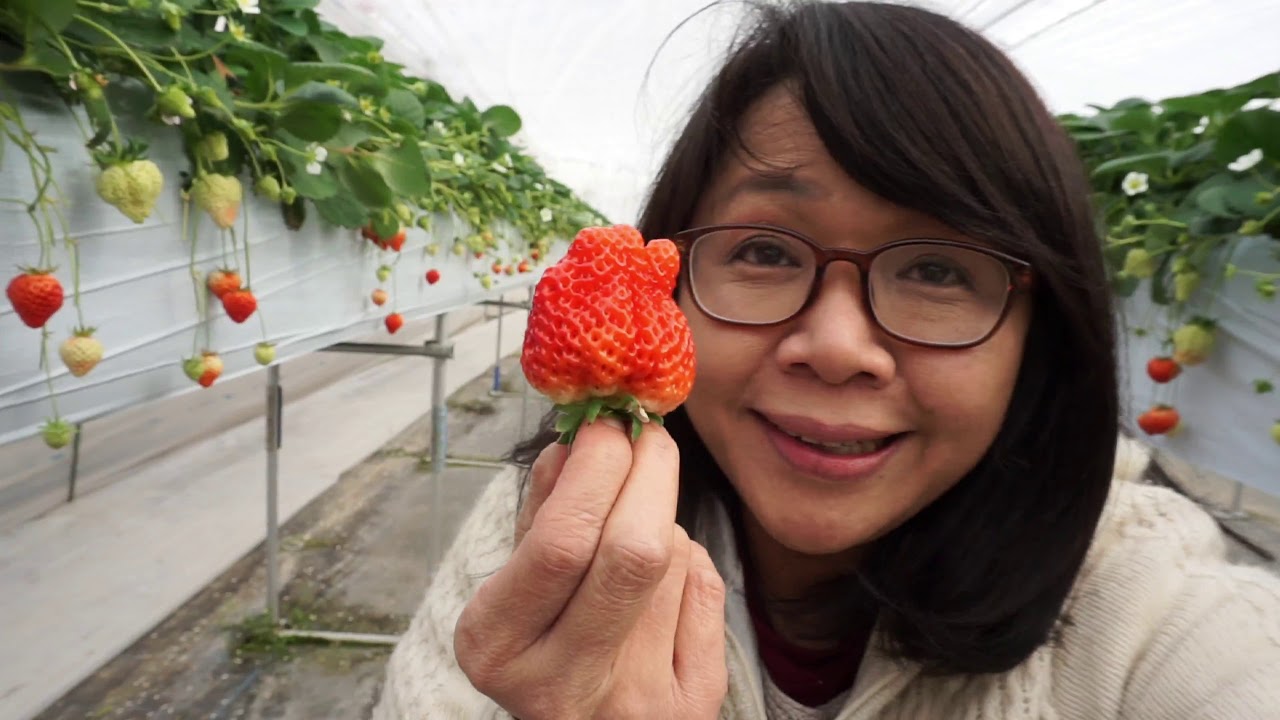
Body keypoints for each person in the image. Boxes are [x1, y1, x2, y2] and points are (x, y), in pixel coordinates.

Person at [372, 2, 1280, 718]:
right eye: (764, 250)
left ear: (1039, 333)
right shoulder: (542, 529)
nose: (840, 349)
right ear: (673, 277)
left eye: (937, 268)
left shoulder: (1157, 616)